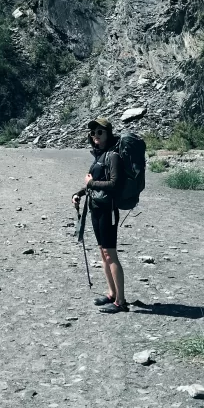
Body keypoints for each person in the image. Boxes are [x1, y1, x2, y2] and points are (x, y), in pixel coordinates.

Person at [71, 117, 128, 314]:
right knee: (103, 253)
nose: (95, 135)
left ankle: (121, 301)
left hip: (108, 210)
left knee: (110, 254)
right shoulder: (99, 156)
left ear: (108, 134)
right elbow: (91, 182)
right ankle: (112, 293)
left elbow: (115, 184)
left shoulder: (112, 156)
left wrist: (90, 184)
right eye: (93, 132)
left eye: (100, 132)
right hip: (96, 208)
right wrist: (78, 194)